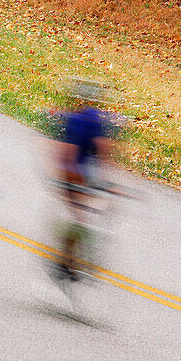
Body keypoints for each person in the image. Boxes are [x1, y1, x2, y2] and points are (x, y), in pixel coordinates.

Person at [51, 78, 115, 283]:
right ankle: (66, 261)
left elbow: (66, 153)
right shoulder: (94, 118)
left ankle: (65, 260)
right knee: (80, 217)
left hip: (75, 170)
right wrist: (107, 182)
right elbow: (103, 150)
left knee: (79, 218)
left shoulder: (73, 118)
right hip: (79, 171)